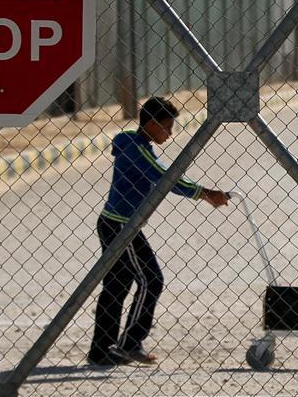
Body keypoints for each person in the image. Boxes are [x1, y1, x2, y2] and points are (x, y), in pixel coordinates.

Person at [87, 97, 229, 367]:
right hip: (120, 225)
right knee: (151, 280)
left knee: (117, 286)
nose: (171, 134)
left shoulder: (137, 144)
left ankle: (101, 349)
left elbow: (163, 172)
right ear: (151, 124)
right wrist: (204, 193)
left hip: (118, 223)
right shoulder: (136, 148)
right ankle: (130, 343)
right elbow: (164, 176)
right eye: (167, 127)